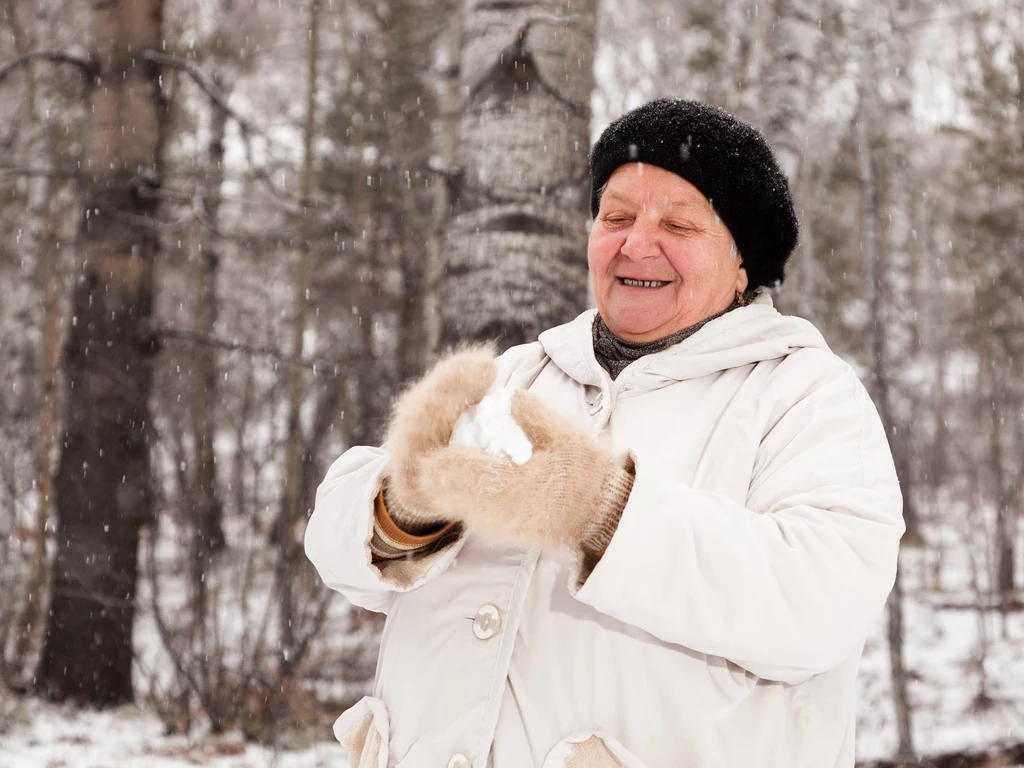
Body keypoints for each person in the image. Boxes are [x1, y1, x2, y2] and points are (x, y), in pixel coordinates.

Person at [305, 99, 905, 768]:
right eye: (616, 217)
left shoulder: (804, 395)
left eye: (678, 224)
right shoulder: (519, 373)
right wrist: (402, 507)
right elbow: (333, 544)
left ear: (744, 265)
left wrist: (602, 510)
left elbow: (820, 605)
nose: (635, 244)